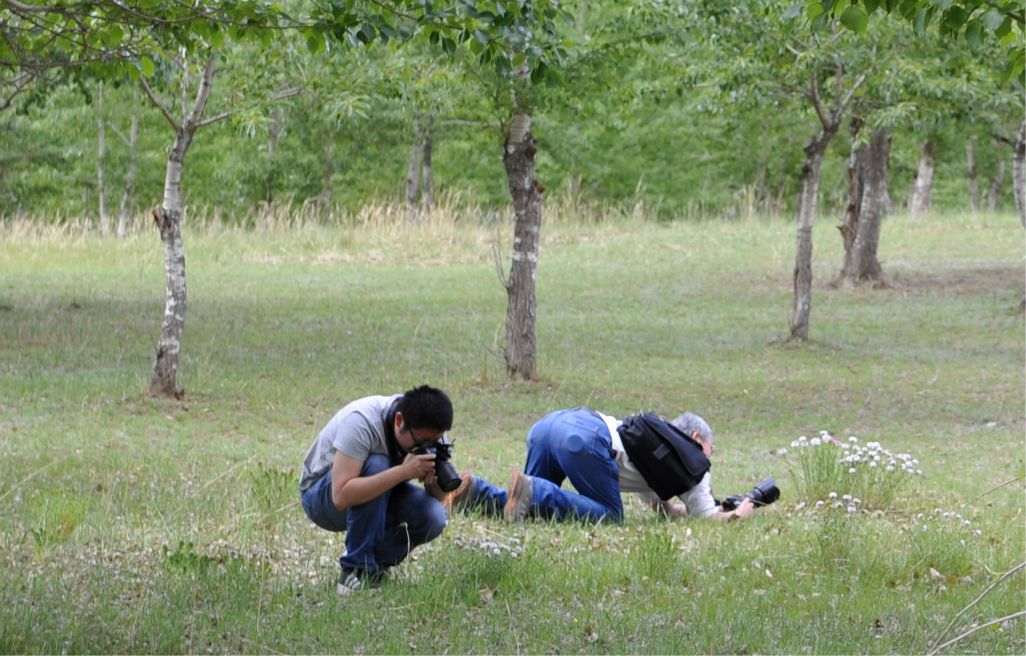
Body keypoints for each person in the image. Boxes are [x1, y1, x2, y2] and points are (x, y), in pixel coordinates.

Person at [446, 407, 755, 523]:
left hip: (551, 425)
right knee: (609, 516)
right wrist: (742, 510)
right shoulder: (693, 463)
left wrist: (677, 512)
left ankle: (477, 493)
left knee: (526, 508)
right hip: (585, 439)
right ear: (698, 438)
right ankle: (537, 490)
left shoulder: (657, 449)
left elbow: (666, 510)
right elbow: (711, 520)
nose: (708, 458)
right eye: (710, 450)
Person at [299, 385, 454, 594]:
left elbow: (439, 498)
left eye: (435, 441)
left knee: (434, 516)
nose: (428, 445)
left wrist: (435, 481)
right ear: (399, 421)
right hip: (320, 495)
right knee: (378, 464)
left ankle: (373, 567)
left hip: (380, 492)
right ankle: (355, 570)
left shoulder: (429, 431)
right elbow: (340, 496)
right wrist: (403, 472)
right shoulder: (362, 422)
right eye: (422, 441)